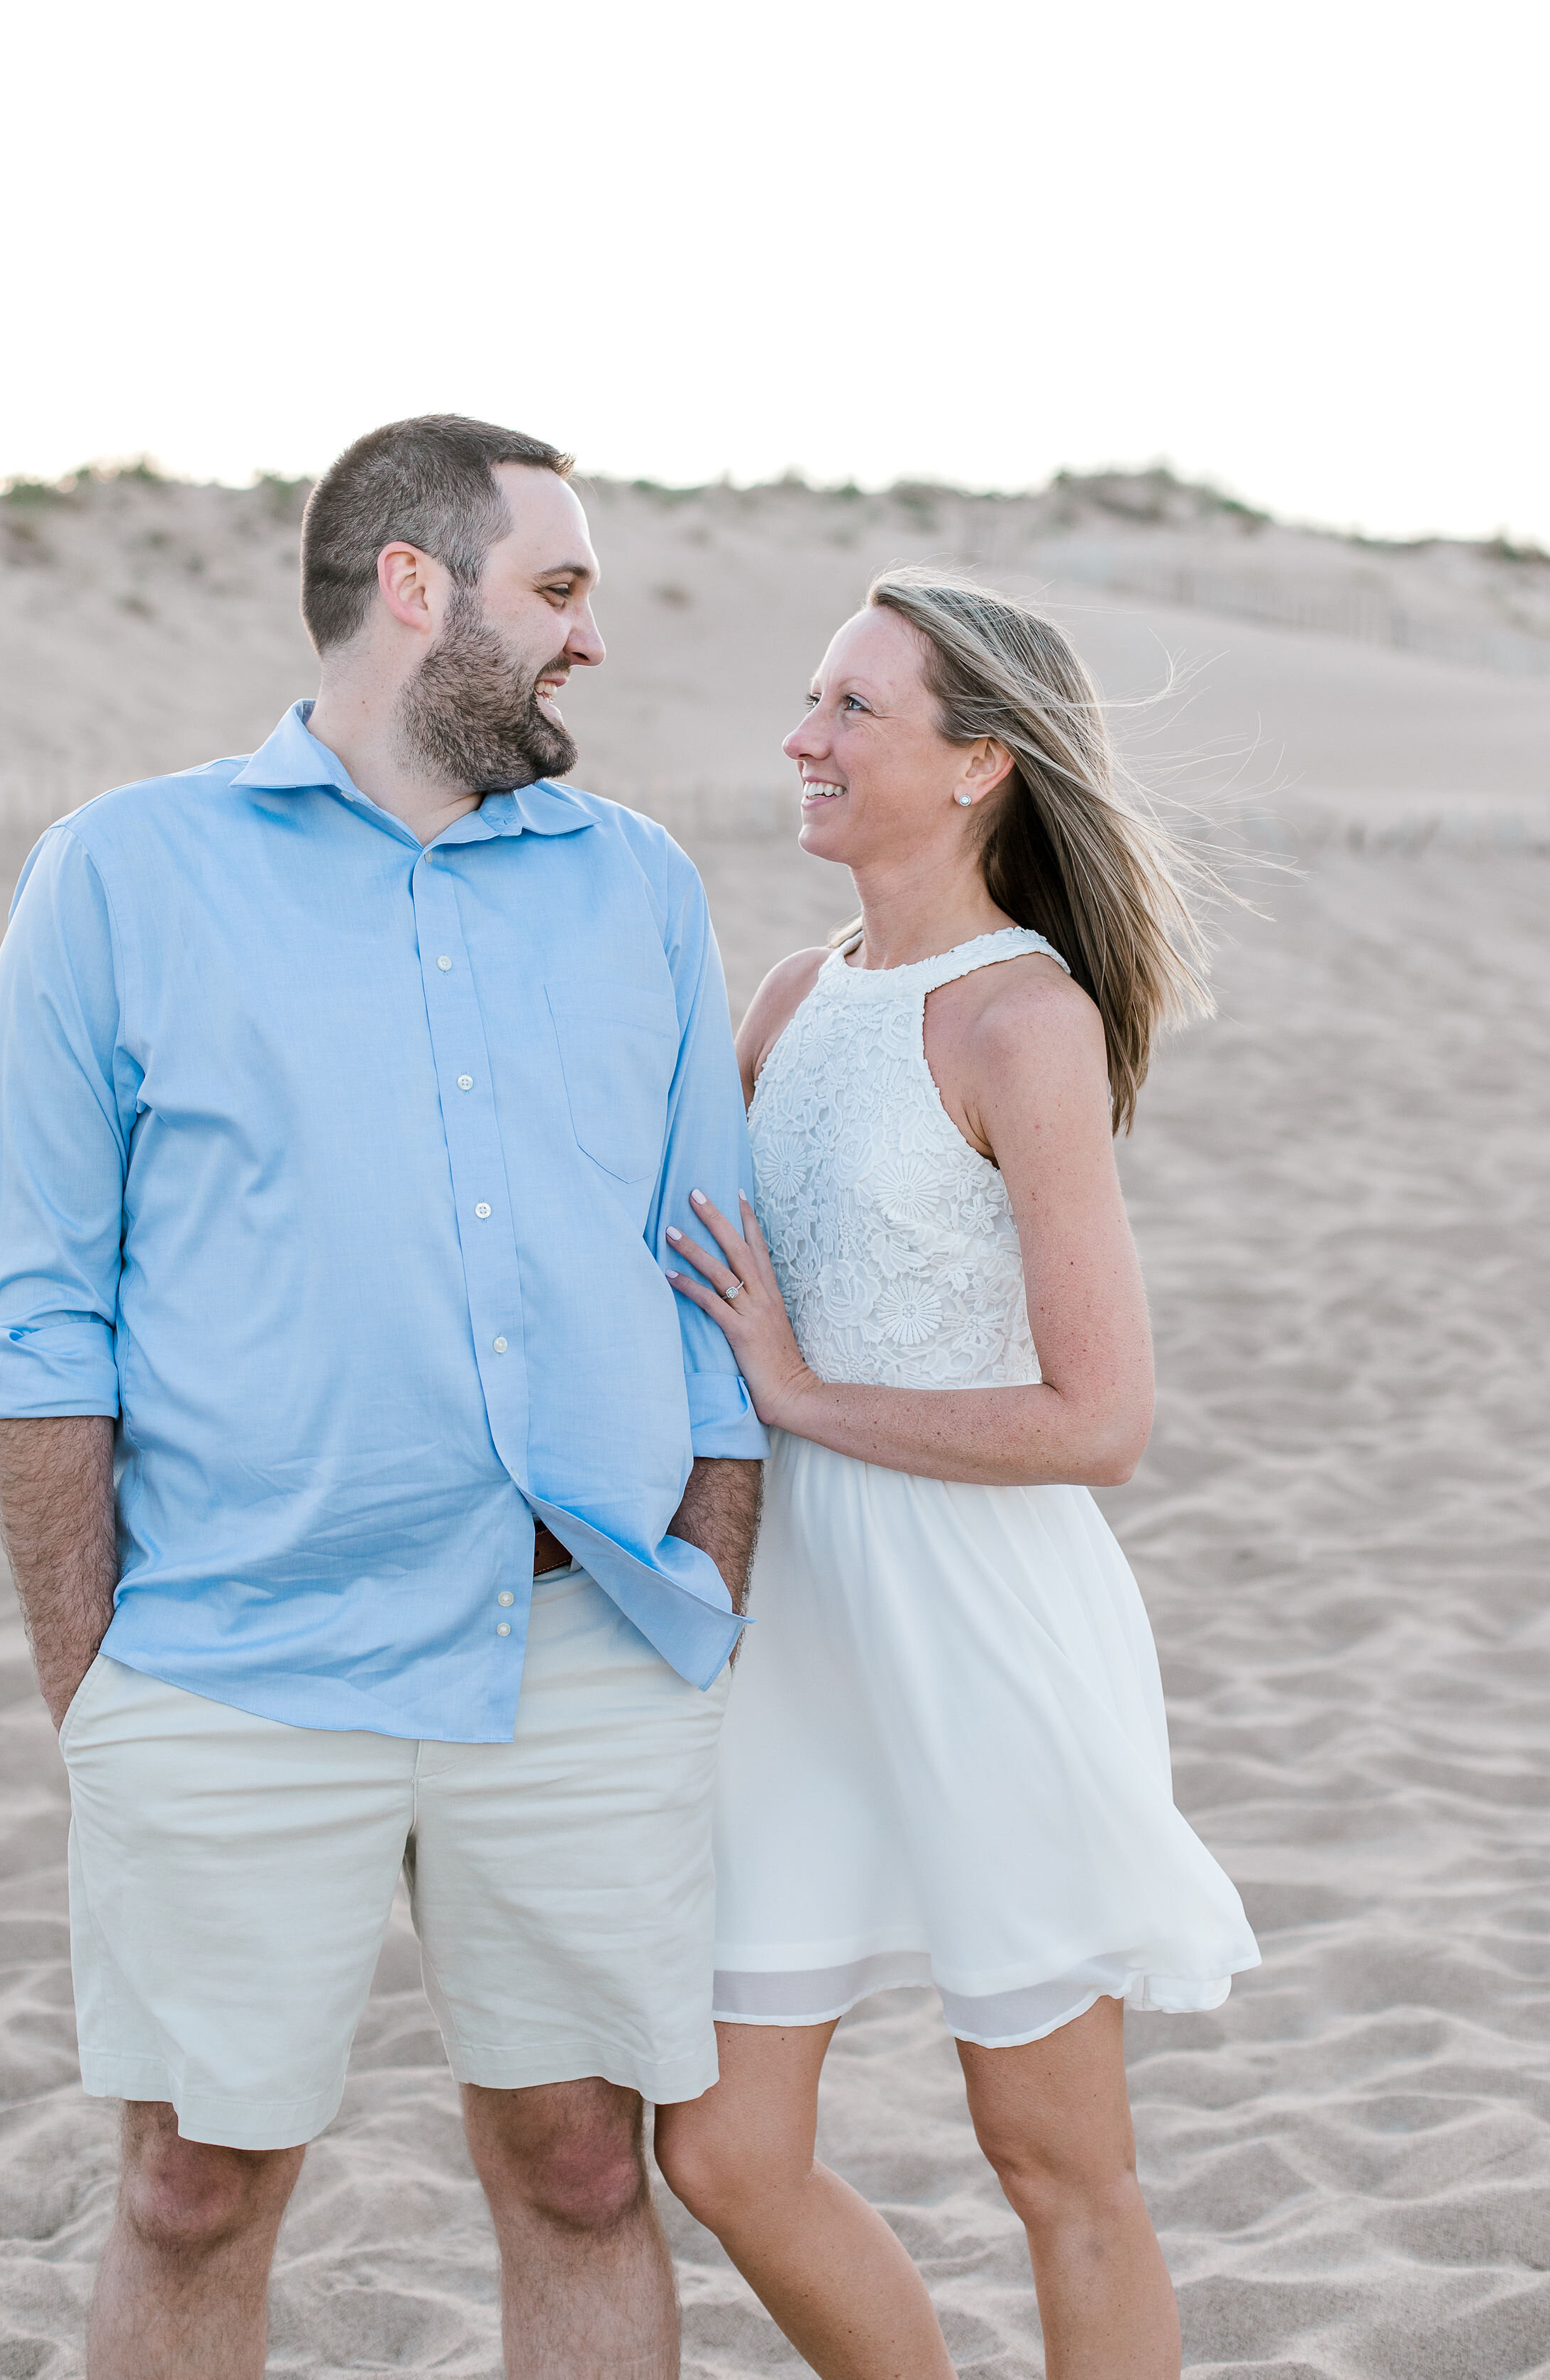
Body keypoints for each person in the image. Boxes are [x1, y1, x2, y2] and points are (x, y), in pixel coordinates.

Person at [0, 415, 766, 2380]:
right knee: (192, 2185)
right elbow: (42, 1316)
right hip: (235, 1653)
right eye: (558, 588)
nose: (591, 640)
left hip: (583, 1645)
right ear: (416, 588)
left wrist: (704, 1583)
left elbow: (710, 1272)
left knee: (583, 2167)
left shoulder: (634, 882)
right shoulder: (120, 877)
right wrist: (100, 1688)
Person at [653, 572, 1261, 2380]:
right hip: (791, 1641)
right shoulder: (786, 994)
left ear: (982, 761)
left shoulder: (1023, 1022)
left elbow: (1099, 1421)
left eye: (854, 709)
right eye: (813, 698)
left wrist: (797, 1387)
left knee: (1056, 2159)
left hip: (987, 1626)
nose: (804, 738)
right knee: (728, 2148)